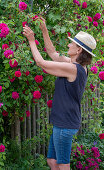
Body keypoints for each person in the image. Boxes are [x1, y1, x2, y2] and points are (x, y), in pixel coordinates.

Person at [23, 17, 96, 170]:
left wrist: (31, 40)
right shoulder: (74, 65)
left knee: (63, 164)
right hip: (63, 122)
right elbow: (52, 53)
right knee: (52, 161)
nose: (68, 44)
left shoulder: (73, 69)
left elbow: (41, 63)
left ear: (79, 50)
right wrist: (44, 30)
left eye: (72, 43)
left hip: (65, 124)